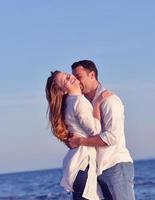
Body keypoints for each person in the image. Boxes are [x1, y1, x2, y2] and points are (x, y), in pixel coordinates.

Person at [67, 60, 135, 200]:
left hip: (115, 166)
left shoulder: (110, 101)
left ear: (92, 75)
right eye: (73, 77)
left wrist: (79, 141)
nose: (76, 81)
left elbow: (111, 137)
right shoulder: (83, 104)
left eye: (79, 77)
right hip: (96, 171)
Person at [45, 70, 110, 200]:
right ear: (63, 91)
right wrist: (97, 104)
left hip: (76, 167)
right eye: (65, 80)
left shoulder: (69, 104)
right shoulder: (78, 101)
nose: (70, 77)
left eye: (66, 75)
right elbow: (95, 130)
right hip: (83, 166)